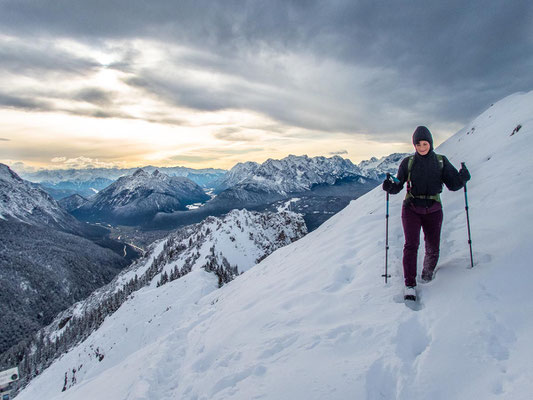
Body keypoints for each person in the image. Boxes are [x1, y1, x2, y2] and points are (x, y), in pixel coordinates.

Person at [382, 126, 470, 301]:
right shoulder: (408, 163)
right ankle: (410, 284)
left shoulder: (441, 162)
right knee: (411, 245)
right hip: (411, 207)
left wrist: (463, 178)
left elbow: (453, 185)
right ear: (414, 145)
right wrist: (390, 187)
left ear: (430, 143)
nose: (422, 147)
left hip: (433, 208)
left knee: (432, 246)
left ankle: (427, 275)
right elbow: (398, 185)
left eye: (425, 143)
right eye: (418, 144)